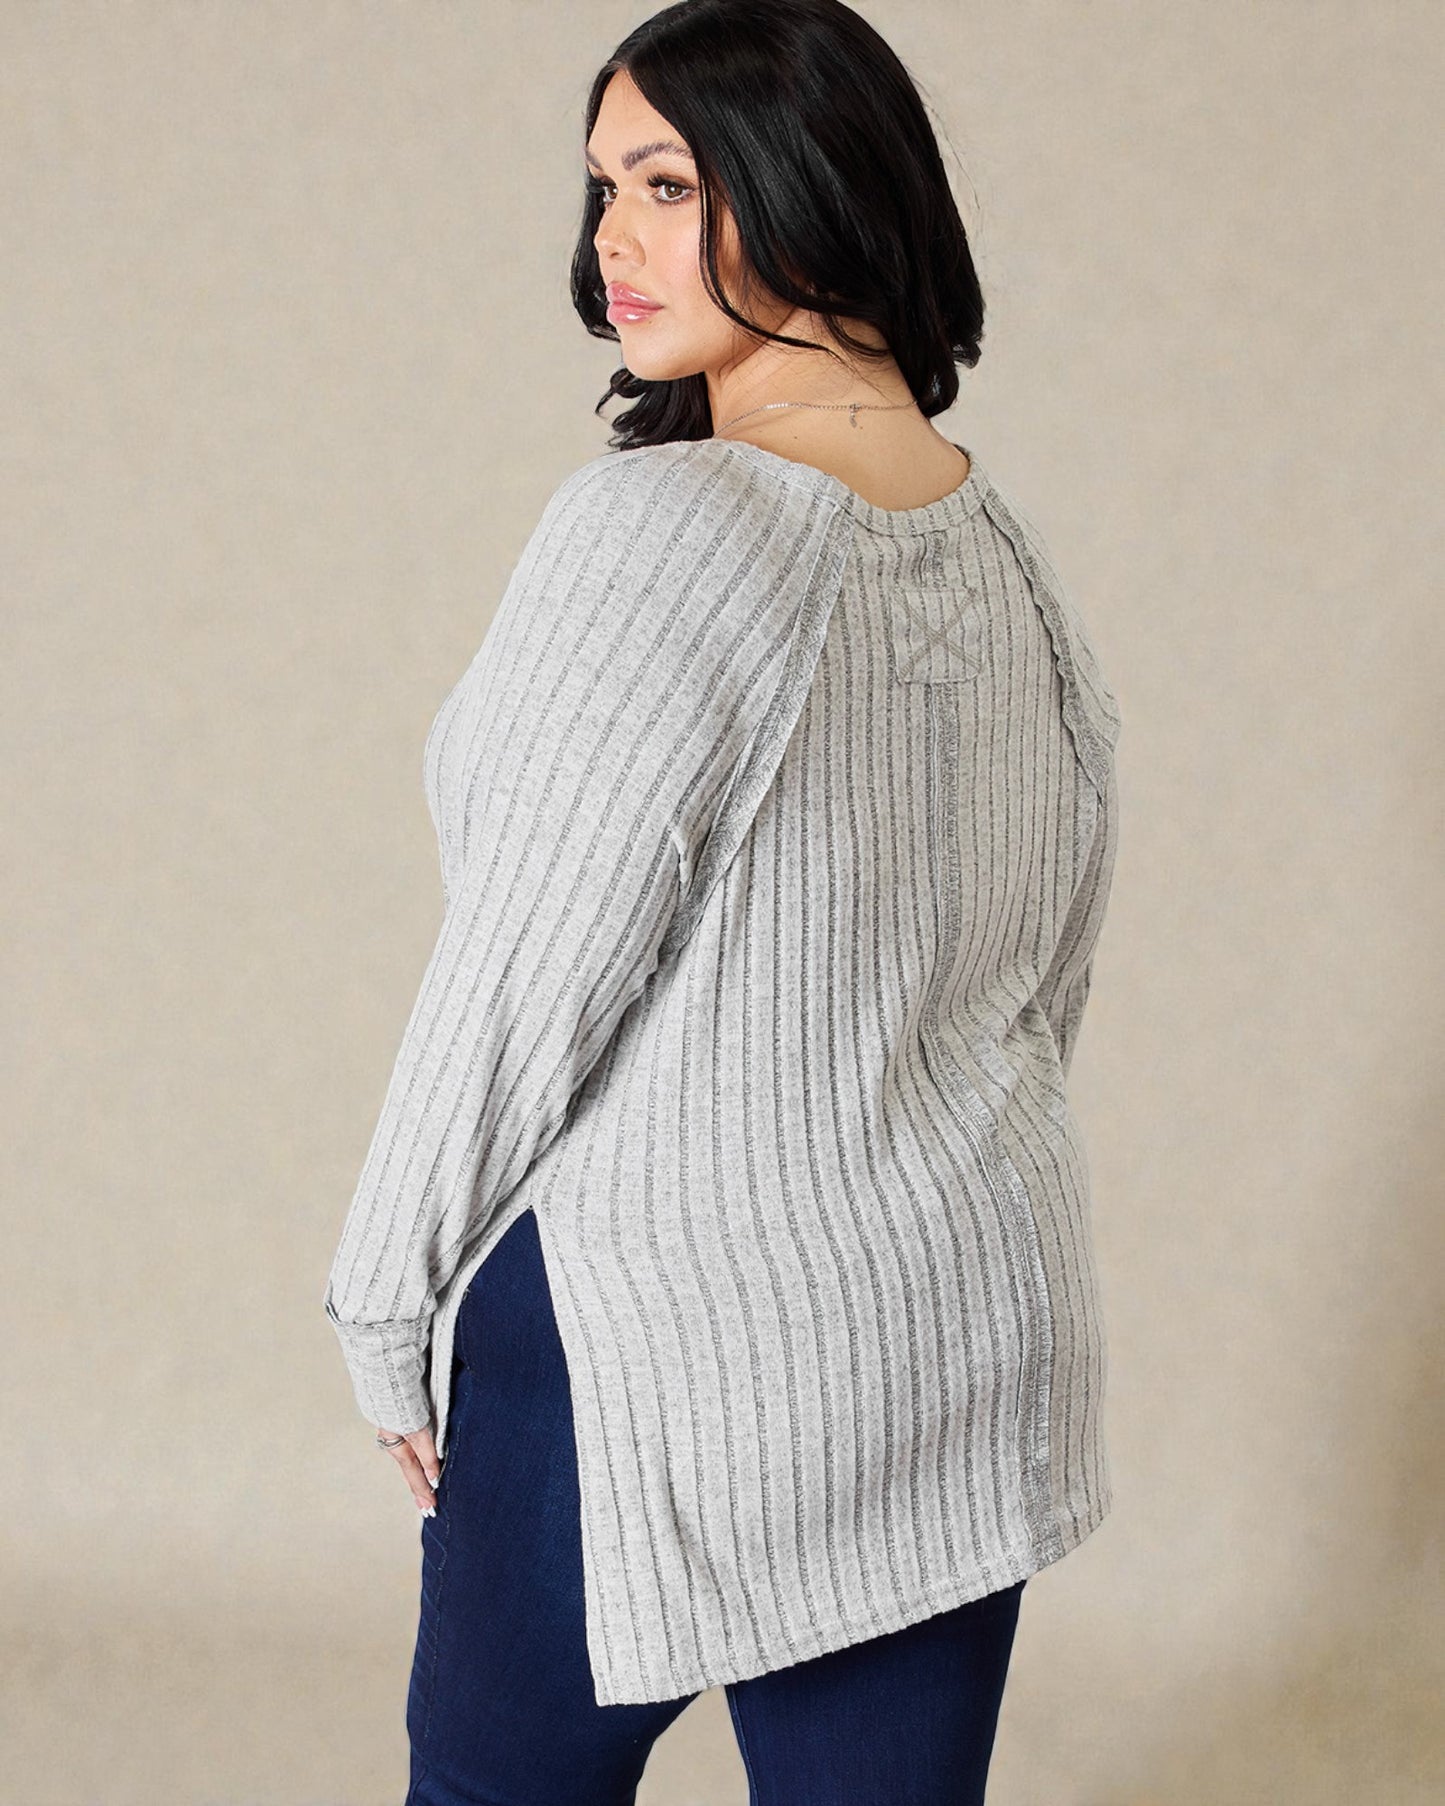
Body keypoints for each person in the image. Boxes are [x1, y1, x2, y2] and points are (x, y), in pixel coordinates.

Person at [322, 1, 1123, 1800]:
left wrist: (386, 1288)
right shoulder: (999, 541)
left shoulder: (663, 531)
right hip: (956, 1328)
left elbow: (524, 969)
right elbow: (1038, 966)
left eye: (667, 181)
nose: (610, 238)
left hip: (646, 1334)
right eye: (601, 185)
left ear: (813, 176)